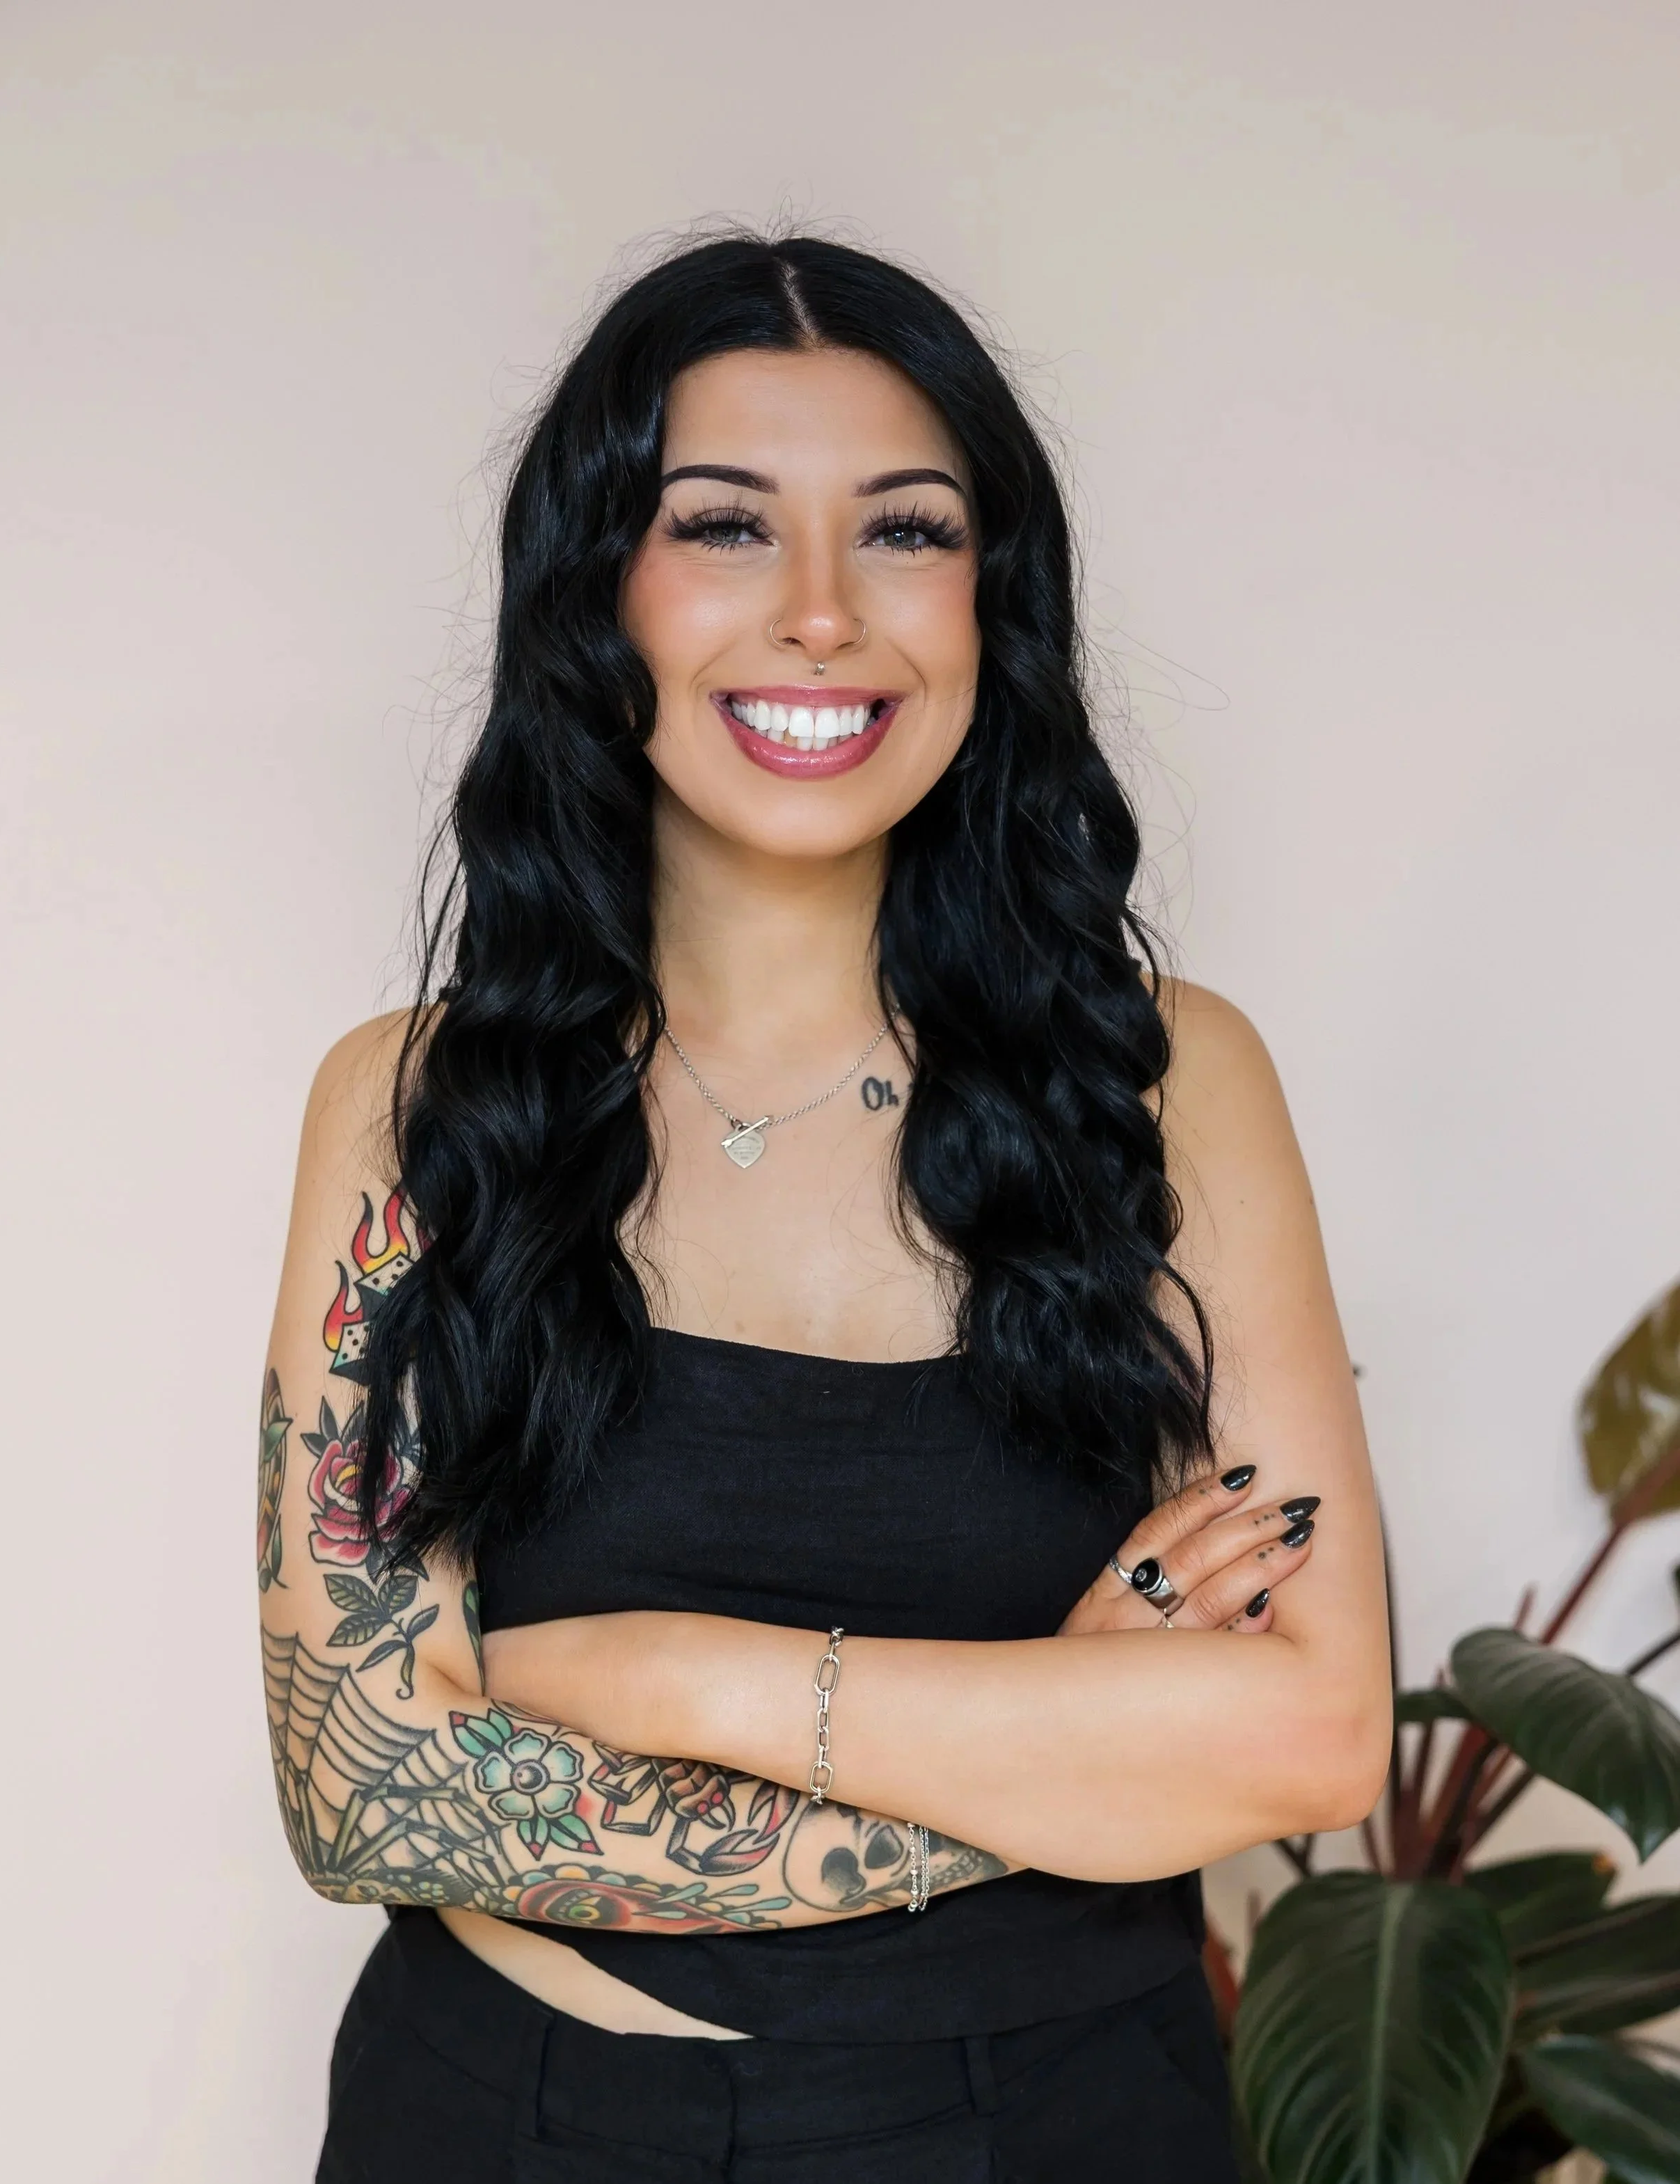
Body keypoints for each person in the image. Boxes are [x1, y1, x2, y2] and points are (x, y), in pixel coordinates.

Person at [260, 231, 1391, 2183]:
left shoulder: (1168, 1078)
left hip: (1055, 2122)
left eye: (903, 531)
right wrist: (1061, 1734)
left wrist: (657, 1673)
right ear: (595, 594)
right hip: (504, 2122)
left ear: (989, 603)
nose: (814, 616)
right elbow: (367, 1803)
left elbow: (1304, 1745)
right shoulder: (415, 1104)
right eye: (719, 525)